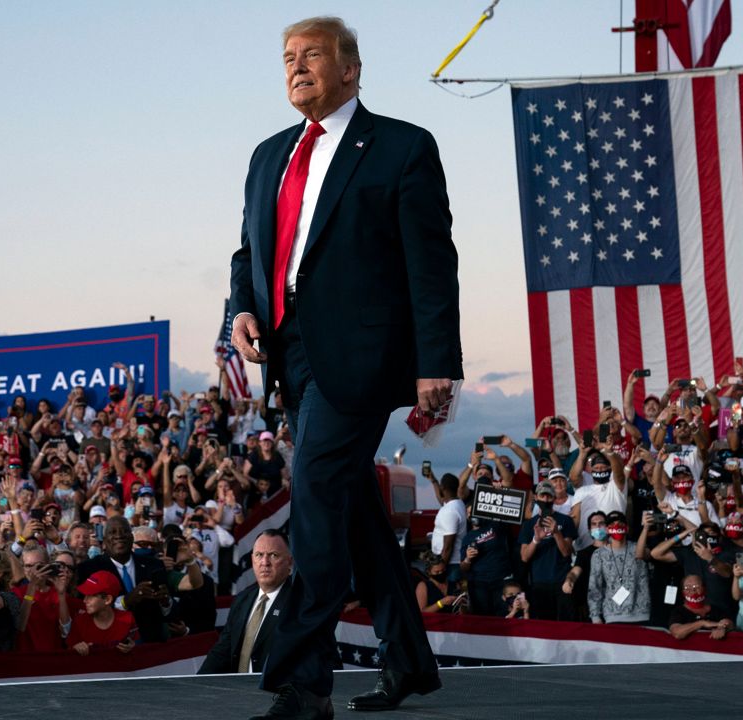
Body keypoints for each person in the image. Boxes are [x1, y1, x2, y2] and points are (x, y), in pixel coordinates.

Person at [228, 15, 457, 718]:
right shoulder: (269, 155)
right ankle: (409, 661)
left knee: (317, 491)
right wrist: (239, 309)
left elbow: (431, 262)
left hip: (361, 359)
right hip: (288, 358)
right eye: (289, 57)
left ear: (350, 69)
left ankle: (302, 679)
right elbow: (249, 254)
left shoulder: (401, 147)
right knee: (354, 512)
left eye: (313, 56)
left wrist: (436, 363)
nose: (297, 67)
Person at [200, 529, 294, 674]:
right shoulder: (242, 599)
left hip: (278, 694)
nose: (265, 562)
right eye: (259, 555)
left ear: (290, 562)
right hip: (240, 692)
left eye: (273, 555)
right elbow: (221, 652)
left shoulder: (301, 604)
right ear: (252, 560)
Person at [519, 481, 577, 620]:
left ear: (554, 498)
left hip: (561, 581)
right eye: (542, 496)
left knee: (564, 624)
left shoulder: (565, 520)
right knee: (543, 627)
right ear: (536, 498)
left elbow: (567, 552)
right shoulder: (528, 525)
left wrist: (556, 533)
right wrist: (536, 540)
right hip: (539, 582)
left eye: (549, 496)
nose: (545, 500)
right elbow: (524, 557)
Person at [586, 512, 650, 625]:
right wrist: (595, 617)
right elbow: (595, 587)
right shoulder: (598, 554)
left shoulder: (639, 548)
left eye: (620, 523)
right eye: (612, 524)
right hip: (612, 616)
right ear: (607, 529)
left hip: (641, 614)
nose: (616, 527)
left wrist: (645, 528)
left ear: (627, 528)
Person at [66, 570, 138, 655]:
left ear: (107, 600)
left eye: (91, 596)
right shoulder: (79, 622)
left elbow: (134, 647)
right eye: (85, 595)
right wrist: (75, 648)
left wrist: (131, 647)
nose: (85, 600)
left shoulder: (127, 619)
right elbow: (68, 653)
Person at [429, 474, 466, 592]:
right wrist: (433, 480)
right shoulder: (457, 503)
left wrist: (440, 569)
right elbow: (442, 500)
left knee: (450, 599)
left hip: (450, 565)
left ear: (443, 487)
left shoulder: (450, 511)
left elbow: (448, 546)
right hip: (452, 563)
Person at [668, 574, 735, 640]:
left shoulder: (715, 610)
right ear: (683, 592)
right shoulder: (678, 612)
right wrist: (702, 623)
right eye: (687, 588)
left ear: (704, 589)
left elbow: (730, 624)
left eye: (697, 587)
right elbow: (677, 633)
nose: (693, 591)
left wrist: (722, 628)